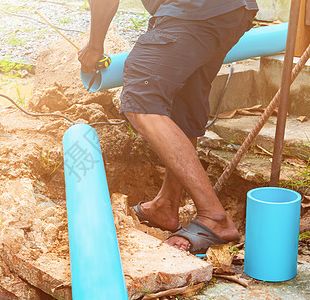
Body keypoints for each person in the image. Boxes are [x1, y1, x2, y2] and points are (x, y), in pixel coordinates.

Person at [78, 0, 258, 254]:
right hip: (231, 11)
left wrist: (95, 46)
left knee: (142, 99)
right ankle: (165, 205)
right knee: (183, 104)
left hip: (194, 10)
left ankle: (214, 217)